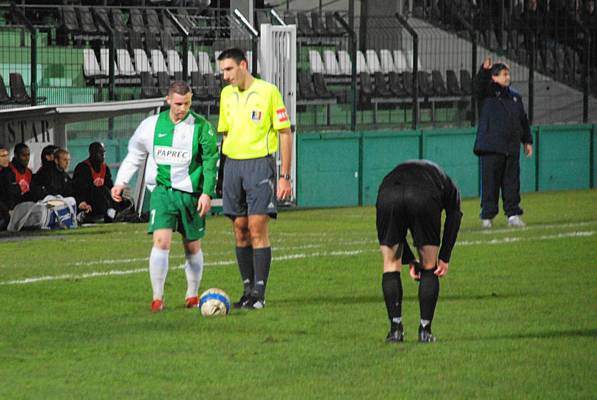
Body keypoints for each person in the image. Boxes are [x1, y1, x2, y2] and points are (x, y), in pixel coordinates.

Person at [111, 81, 218, 312]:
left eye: (188, 103)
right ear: (168, 100)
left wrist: (207, 193)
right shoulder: (150, 126)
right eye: (179, 103)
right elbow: (136, 154)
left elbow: (211, 163)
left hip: (191, 195)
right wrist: (121, 181)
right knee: (161, 241)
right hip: (162, 192)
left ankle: (192, 294)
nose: (183, 108)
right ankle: (157, 297)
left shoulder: (201, 127)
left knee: (192, 247)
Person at [217, 48, 293, 309]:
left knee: (257, 228)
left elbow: (285, 132)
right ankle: (247, 291)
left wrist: (284, 176)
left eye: (228, 70)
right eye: (222, 71)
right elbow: (225, 135)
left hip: (259, 165)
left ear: (243, 65)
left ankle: (259, 294)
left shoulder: (268, 92)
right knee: (239, 230)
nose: (225, 76)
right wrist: (222, 170)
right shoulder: (226, 95)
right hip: (232, 167)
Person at [377, 160, 462, 343]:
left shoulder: (393, 174)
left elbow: (392, 232)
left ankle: (395, 330)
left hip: (388, 193)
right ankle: (425, 330)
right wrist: (444, 257)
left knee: (391, 263)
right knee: (429, 265)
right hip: (423, 195)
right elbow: (454, 216)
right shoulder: (448, 184)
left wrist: (408, 259)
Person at [474, 57, 533, 228]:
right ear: (494, 77)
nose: (508, 77)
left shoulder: (515, 97)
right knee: (490, 184)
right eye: (504, 74)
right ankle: (487, 217)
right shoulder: (487, 94)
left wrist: (527, 141)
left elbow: (522, 120)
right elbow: (478, 86)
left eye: (508, 74)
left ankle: (513, 214)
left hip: (511, 148)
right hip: (491, 148)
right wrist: (484, 70)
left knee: (512, 183)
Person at [73, 142, 119, 222]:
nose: (103, 156)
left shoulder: (105, 167)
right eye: (100, 153)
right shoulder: (83, 167)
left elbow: (110, 185)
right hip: (89, 200)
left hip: (104, 199)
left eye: (103, 153)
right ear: (92, 153)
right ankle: (109, 212)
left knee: (113, 192)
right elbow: (80, 189)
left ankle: (116, 211)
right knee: (98, 190)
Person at [0, 144, 19, 230]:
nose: (6, 158)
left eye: (7, 155)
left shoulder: (9, 172)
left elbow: (13, 192)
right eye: (3, 156)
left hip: (10, 210)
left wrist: (12, 209)